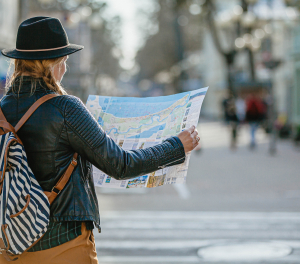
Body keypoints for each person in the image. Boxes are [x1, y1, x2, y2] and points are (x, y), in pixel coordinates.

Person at [0, 16, 200, 263]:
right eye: (64, 61)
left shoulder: (1, 110)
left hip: (9, 244)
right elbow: (121, 165)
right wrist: (176, 146)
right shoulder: (65, 108)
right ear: (53, 64)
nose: (65, 68)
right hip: (62, 244)